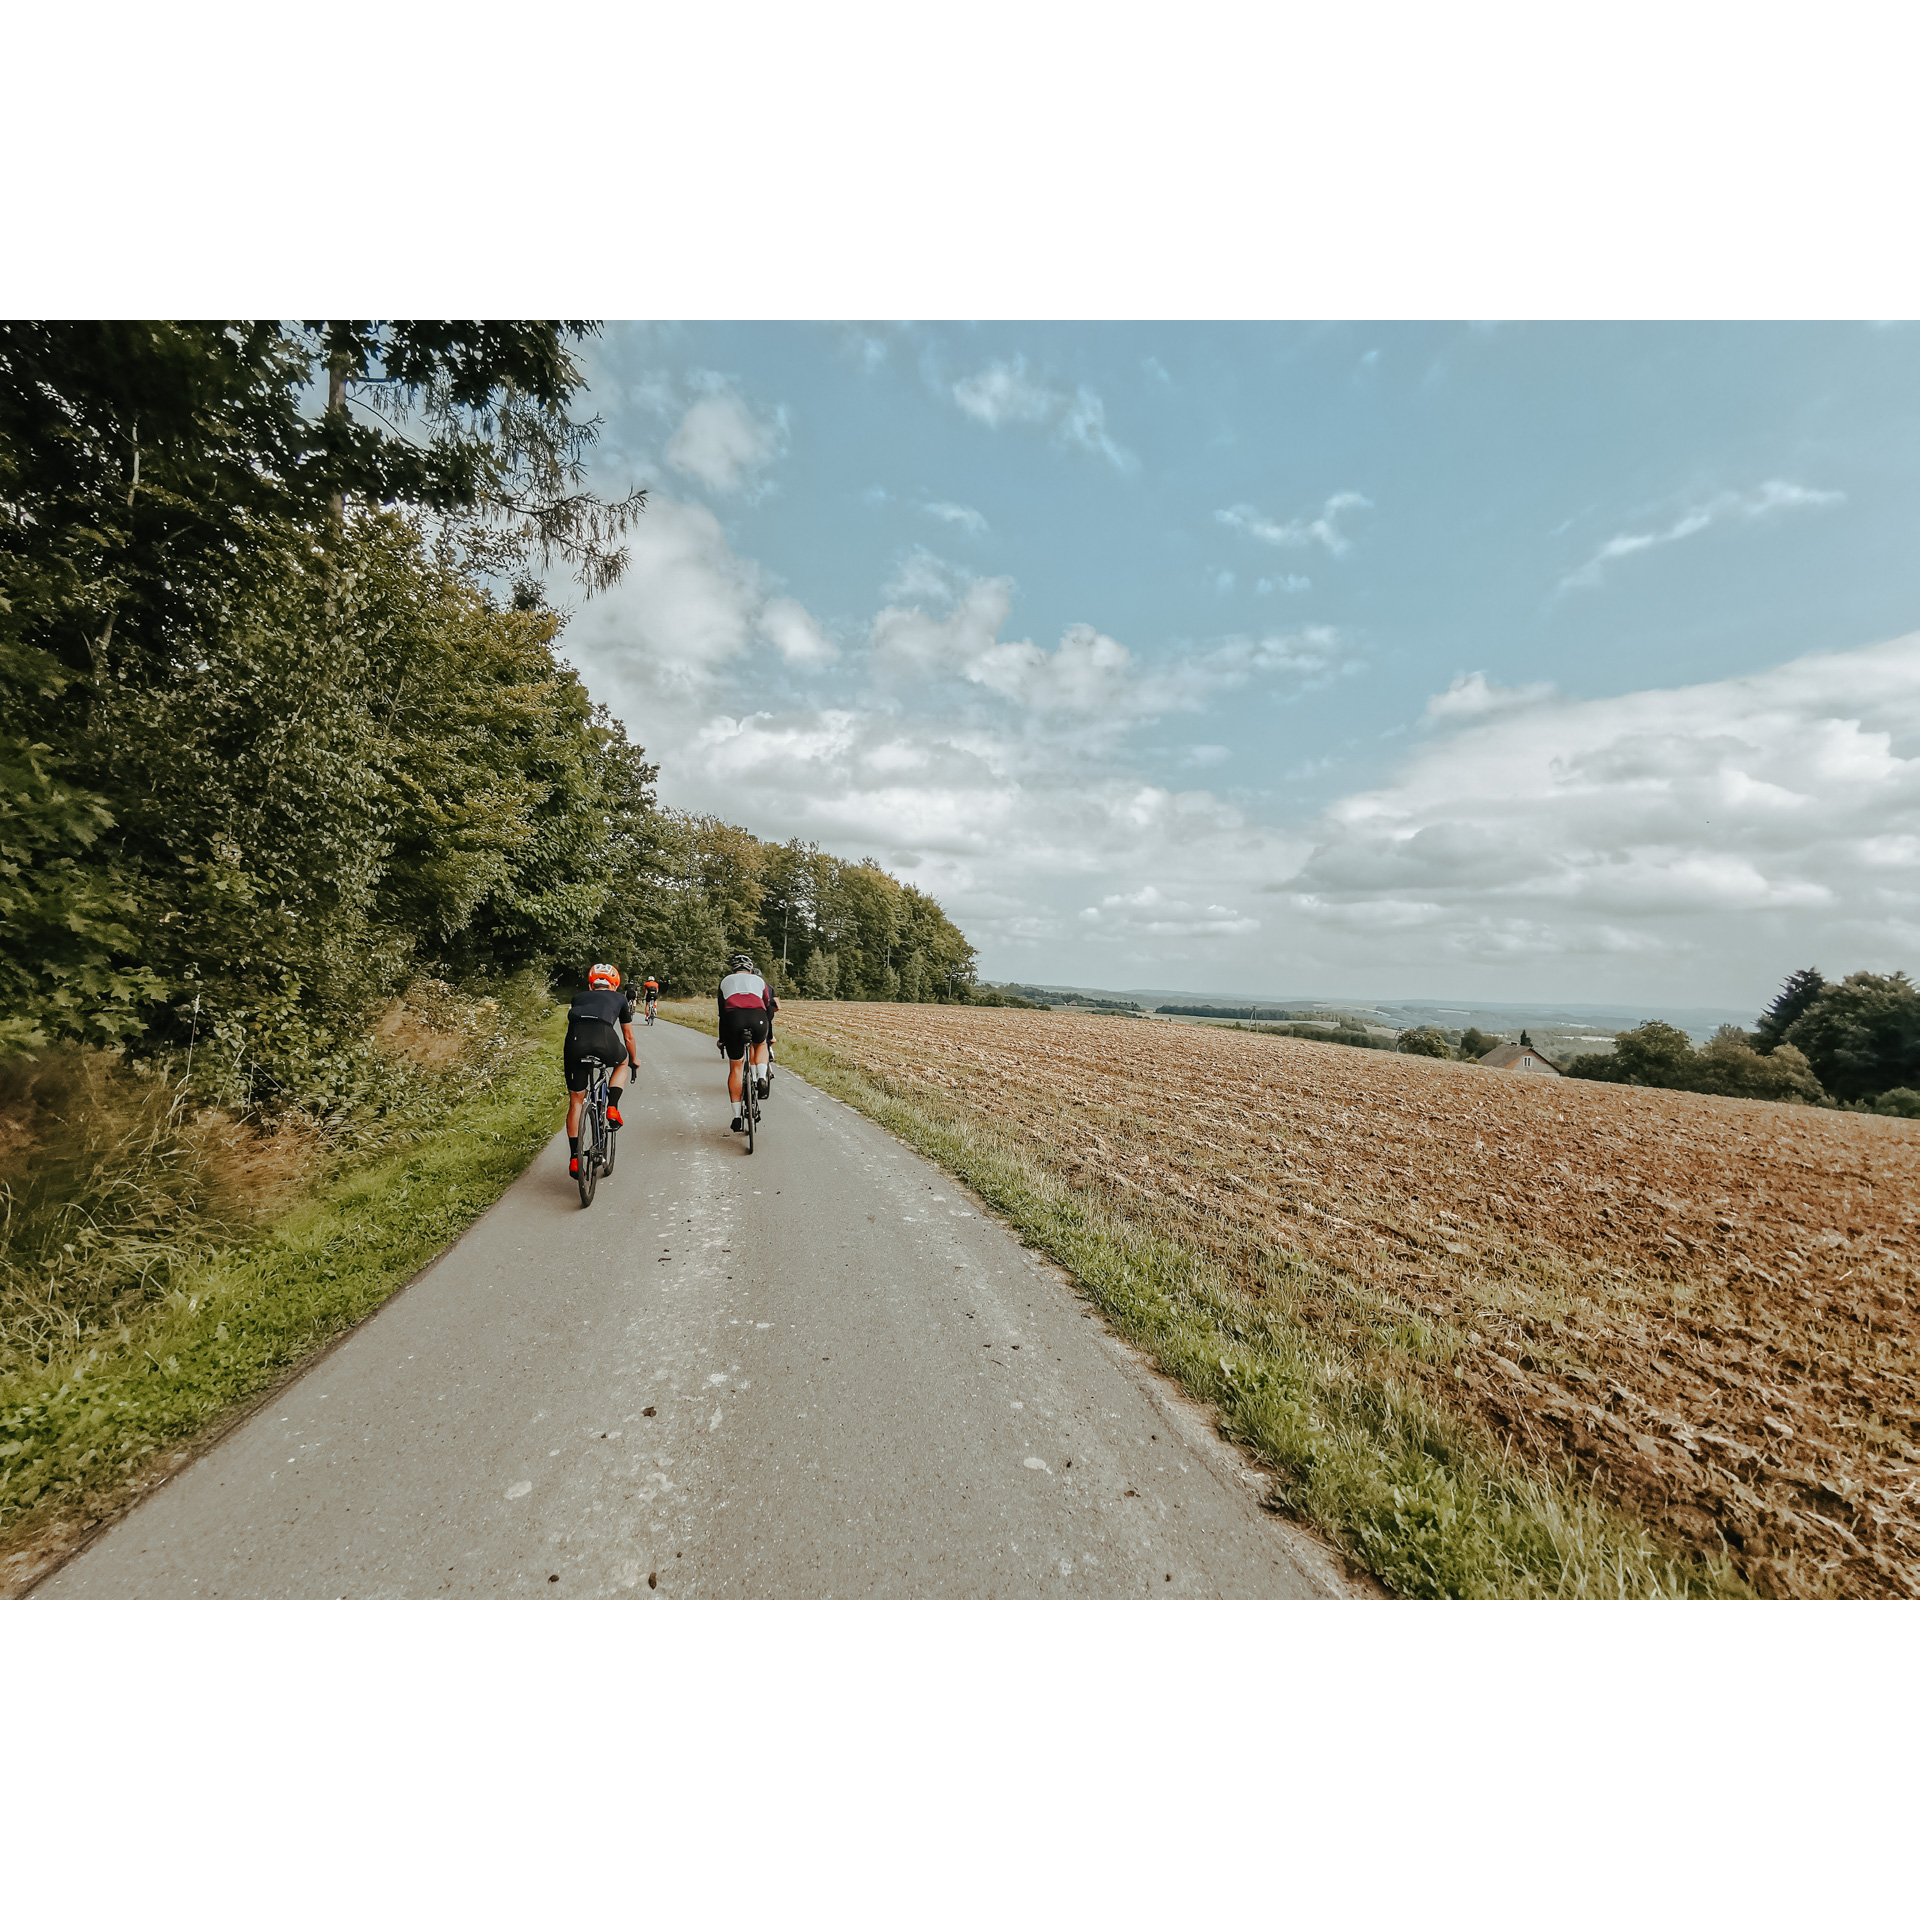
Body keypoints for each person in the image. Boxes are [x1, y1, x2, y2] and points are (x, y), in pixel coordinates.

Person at [564, 962, 638, 1178]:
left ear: (590, 985)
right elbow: (628, 1035)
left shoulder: (578, 997)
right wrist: (635, 1059)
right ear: (615, 985)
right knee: (622, 1063)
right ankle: (612, 1107)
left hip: (574, 1043)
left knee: (576, 1100)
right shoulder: (620, 998)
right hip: (604, 1040)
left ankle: (575, 1159)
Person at [716, 953, 777, 1132]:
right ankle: (760, 1077)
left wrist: (722, 1039)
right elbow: (768, 1007)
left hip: (733, 1019)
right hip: (757, 1017)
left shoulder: (725, 981)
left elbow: (722, 1012)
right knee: (761, 1045)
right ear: (750, 969)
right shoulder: (760, 982)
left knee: (735, 1067)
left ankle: (736, 1117)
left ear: (733, 970)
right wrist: (768, 1033)